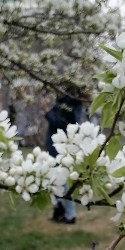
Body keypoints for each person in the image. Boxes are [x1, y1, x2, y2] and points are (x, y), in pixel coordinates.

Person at [43, 93, 83, 224]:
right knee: (54, 180)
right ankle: (58, 208)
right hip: (55, 147)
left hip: (61, 149)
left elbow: (62, 124)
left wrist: (47, 111)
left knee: (64, 183)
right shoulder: (64, 100)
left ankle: (70, 215)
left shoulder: (72, 103)